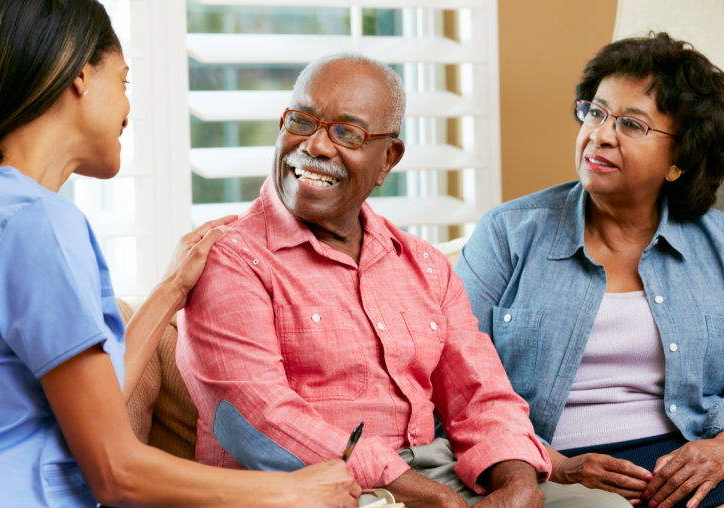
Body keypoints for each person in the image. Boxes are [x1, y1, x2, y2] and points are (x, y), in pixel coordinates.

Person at [0, 1, 360, 506]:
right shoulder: (35, 223)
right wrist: (294, 490)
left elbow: (93, 410)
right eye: (123, 82)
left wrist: (170, 290)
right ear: (79, 77)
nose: (127, 109)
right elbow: (115, 471)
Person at [176, 53, 628, 508]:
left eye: (346, 133)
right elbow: (256, 421)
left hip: (438, 475)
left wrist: (517, 481)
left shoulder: (425, 265)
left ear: (387, 158)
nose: (314, 146)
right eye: (302, 121)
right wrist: (425, 495)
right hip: (318, 489)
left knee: (602, 506)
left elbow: (482, 395)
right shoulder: (230, 258)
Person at [455, 32, 724, 508]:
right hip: (546, 465)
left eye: (631, 124)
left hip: (685, 467)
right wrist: (551, 463)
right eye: (596, 111)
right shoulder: (509, 233)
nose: (600, 134)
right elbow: (451, 388)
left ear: (680, 160)